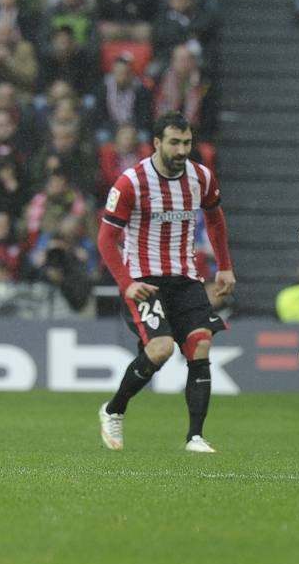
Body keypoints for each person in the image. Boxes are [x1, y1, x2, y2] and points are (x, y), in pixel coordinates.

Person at [96, 112, 236, 453]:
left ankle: (195, 437)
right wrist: (126, 282)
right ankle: (113, 409)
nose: (182, 149)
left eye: (186, 142)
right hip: (144, 280)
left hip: (185, 277)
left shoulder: (201, 177)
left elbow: (215, 219)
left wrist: (224, 266)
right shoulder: (131, 182)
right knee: (161, 349)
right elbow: (105, 239)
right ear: (157, 143)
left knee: (200, 344)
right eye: (174, 142)